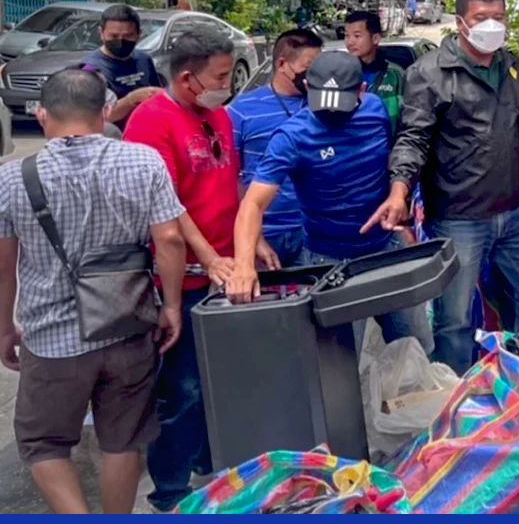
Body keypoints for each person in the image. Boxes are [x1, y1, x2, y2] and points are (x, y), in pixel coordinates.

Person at [0, 69, 186, 513]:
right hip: (128, 327)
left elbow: (4, 268)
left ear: (41, 114)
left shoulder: (12, 179)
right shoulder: (144, 162)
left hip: (50, 339)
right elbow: (171, 241)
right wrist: (172, 306)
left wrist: (6, 327)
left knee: (44, 443)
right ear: (105, 113)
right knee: (122, 441)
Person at [365, 0, 519, 374]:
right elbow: (412, 138)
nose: (492, 25)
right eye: (481, 18)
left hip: (515, 210)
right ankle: (455, 399)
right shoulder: (430, 74)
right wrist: (399, 191)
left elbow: (518, 133)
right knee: (454, 320)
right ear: (460, 22)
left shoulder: (509, 65)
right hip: (460, 217)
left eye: (498, 18)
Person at [226, 52, 433, 354]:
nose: (332, 116)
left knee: (417, 346)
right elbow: (253, 205)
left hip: (385, 250)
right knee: (343, 363)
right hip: (329, 261)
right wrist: (244, 264)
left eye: (342, 108)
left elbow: (391, 162)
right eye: (323, 106)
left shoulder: (375, 111)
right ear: (307, 85)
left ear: (362, 91)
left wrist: (397, 200)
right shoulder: (292, 137)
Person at [123, 27, 243, 512]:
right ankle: (170, 491)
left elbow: (229, 184)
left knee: (221, 381)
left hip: (225, 268)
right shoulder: (151, 122)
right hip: (184, 276)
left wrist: (248, 246)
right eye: (221, 75)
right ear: (188, 77)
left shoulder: (218, 114)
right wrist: (211, 258)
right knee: (185, 390)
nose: (228, 83)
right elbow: (165, 208)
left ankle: (209, 462)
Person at [227, 29, 323, 268]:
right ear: (282, 64)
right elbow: (231, 177)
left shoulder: (325, 107)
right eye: (309, 67)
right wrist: (254, 237)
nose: (315, 76)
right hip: (264, 229)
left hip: (314, 230)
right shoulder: (242, 110)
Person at [79, 4, 165, 131]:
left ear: (138, 34)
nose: (121, 41)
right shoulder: (90, 69)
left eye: (128, 36)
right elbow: (101, 116)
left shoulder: (144, 59)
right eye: (114, 36)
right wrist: (132, 99)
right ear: (101, 33)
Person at [344, 10, 405, 124]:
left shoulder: (395, 74)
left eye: (357, 36)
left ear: (375, 38)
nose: (350, 42)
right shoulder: (341, 73)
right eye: (347, 36)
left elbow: (406, 117)